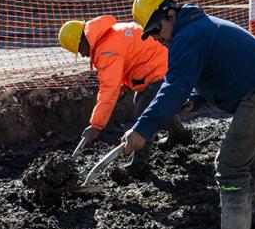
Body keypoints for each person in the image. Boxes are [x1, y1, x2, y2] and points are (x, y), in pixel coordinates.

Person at [120, 0, 255, 229]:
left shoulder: (188, 35)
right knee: (247, 153)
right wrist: (195, 100)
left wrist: (142, 128)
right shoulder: (195, 29)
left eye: (156, 30)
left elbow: (174, 86)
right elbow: (210, 72)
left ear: (170, 14)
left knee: (229, 165)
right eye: (150, 35)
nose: (156, 38)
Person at [58, 16, 191, 176]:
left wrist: (96, 126)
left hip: (161, 69)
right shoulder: (107, 36)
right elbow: (126, 64)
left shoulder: (106, 50)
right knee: (150, 102)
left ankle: (139, 164)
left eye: (79, 50)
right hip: (159, 65)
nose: (83, 55)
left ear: (81, 41)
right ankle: (179, 134)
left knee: (144, 112)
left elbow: (109, 89)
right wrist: (121, 89)